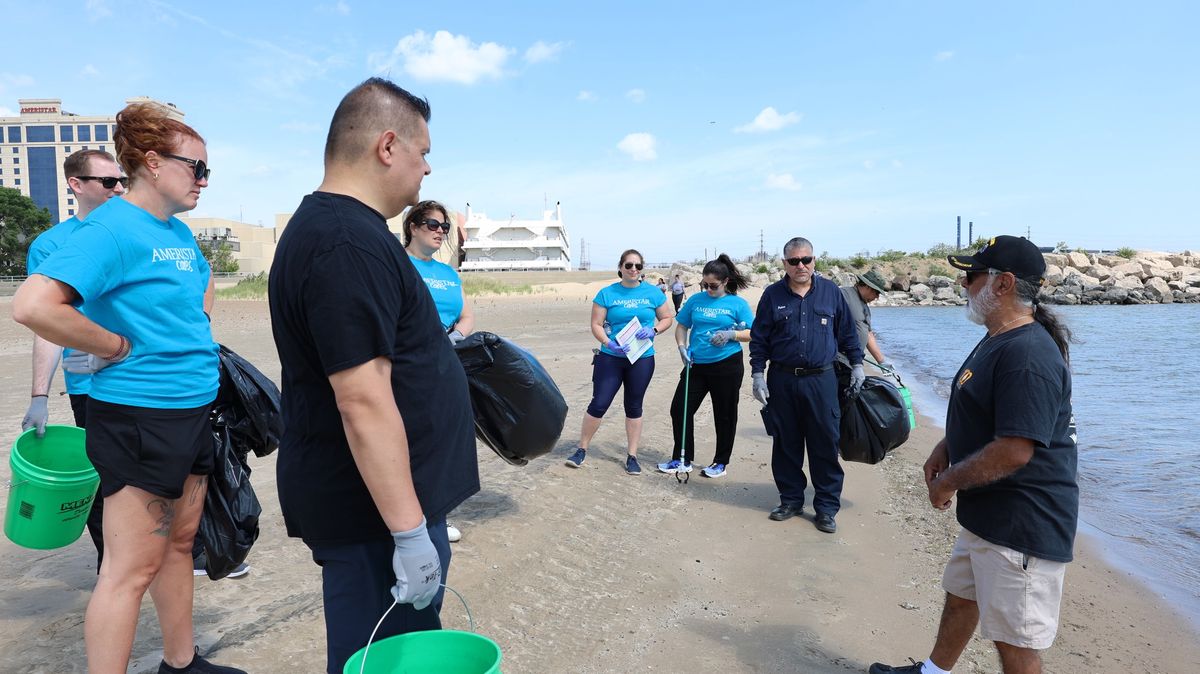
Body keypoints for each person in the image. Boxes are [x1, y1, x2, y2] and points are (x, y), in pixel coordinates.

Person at [12, 102, 244, 673]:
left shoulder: (177, 232)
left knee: (180, 547)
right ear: (151, 161)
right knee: (129, 568)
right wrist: (113, 347)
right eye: (196, 168)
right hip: (140, 417)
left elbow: (191, 304)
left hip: (191, 411)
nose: (204, 181)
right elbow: (34, 304)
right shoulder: (111, 228)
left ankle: (181, 663)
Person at [268, 78, 479, 674]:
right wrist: (409, 533)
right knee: (383, 659)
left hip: (383, 509)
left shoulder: (353, 233)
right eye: (423, 151)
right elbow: (362, 399)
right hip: (373, 518)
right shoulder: (344, 243)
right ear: (388, 146)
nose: (428, 168)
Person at [870, 236, 1077, 674]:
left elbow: (1016, 450)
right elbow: (987, 413)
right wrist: (946, 446)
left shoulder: (1026, 352)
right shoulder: (998, 337)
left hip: (1022, 522)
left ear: (1003, 284)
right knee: (963, 593)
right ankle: (934, 671)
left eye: (971, 276)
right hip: (988, 512)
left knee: (1015, 641)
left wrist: (947, 482)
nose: (963, 284)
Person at [20, 149, 125, 568]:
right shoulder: (51, 245)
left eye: (122, 181)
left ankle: (189, 552)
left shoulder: (138, 231)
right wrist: (40, 396)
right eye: (108, 182)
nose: (119, 188)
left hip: (149, 376)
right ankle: (113, 566)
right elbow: (47, 323)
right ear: (76, 185)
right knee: (105, 479)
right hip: (91, 385)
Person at [748, 237, 863, 534]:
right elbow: (759, 338)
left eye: (807, 260)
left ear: (814, 261)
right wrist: (757, 374)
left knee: (825, 443)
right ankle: (791, 500)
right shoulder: (772, 295)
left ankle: (825, 508)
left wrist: (858, 366)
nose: (801, 266)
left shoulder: (831, 293)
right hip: (782, 379)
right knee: (786, 443)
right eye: (794, 261)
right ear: (784, 263)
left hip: (821, 380)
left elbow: (848, 334)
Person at [564, 249, 673, 475]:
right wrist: (607, 342)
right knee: (599, 403)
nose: (634, 269)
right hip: (611, 358)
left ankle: (632, 456)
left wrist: (653, 330)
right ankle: (581, 449)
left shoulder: (653, 293)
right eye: (629, 265)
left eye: (638, 266)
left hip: (641, 359)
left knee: (634, 406)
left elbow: (667, 318)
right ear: (621, 267)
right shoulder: (607, 293)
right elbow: (596, 324)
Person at [402, 199, 472, 544]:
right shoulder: (398, 263)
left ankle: (437, 515)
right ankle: (407, 517)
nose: (440, 232)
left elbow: (466, 315)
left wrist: (455, 336)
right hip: (408, 365)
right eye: (432, 224)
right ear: (412, 226)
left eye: (444, 227)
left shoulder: (447, 272)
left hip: (446, 362)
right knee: (411, 442)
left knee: (443, 440)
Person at [658, 254, 755, 478]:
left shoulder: (737, 304)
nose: (709, 289)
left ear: (725, 282)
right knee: (679, 409)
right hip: (696, 364)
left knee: (725, 414)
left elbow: (752, 333)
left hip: (726, 365)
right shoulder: (695, 301)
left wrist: (731, 334)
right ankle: (682, 458)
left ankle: (720, 462)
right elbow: (681, 326)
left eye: (713, 286)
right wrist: (681, 347)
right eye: (705, 285)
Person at [836, 268, 890, 369]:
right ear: (868, 287)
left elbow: (868, 334)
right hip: (838, 360)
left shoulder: (865, 307)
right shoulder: (843, 294)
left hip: (854, 362)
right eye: (877, 293)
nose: (877, 297)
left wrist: (881, 361)